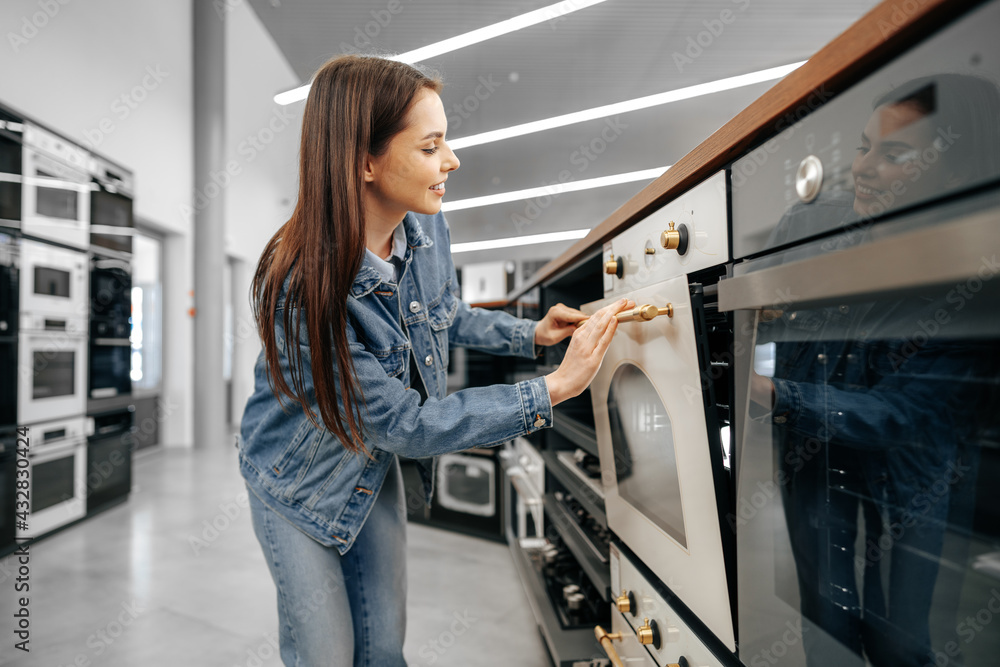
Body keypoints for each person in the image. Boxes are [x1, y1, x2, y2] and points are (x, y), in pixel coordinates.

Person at [236, 55, 631, 667]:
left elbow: (445, 312)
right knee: (326, 655)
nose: (452, 161)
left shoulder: (425, 227)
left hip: (368, 464)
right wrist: (552, 389)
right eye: (431, 146)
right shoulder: (305, 282)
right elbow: (408, 424)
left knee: (384, 648)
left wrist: (531, 334)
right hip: (298, 479)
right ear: (364, 161)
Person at [749, 73, 1000, 666]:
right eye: (863, 147)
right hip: (813, 457)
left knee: (902, 637)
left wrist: (771, 394)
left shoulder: (974, 263)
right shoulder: (807, 226)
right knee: (823, 617)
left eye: (894, 154)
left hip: (911, 474)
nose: (862, 167)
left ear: (957, 173)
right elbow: (768, 318)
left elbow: (905, 415)